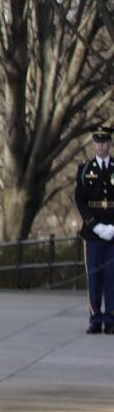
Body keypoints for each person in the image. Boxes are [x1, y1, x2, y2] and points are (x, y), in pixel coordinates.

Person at [75, 125, 114, 335]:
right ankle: (95, 318)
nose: (101, 145)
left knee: (112, 277)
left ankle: (110, 319)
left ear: (110, 143)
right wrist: (95, 225)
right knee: (95, 277)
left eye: (105, 141)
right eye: (98, 142)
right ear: (93, 144)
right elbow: (80, 201)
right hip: (93, 232)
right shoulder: (84, 170)